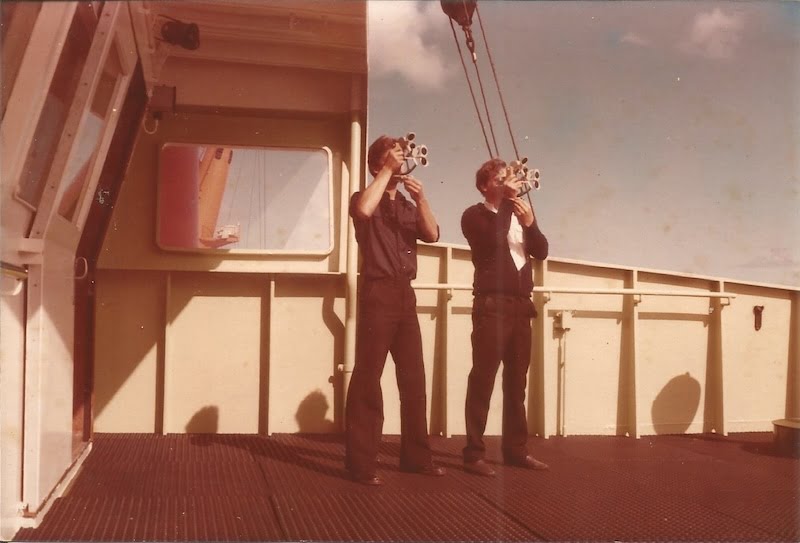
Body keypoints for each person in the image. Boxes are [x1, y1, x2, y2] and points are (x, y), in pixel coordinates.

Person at [345, 135, 445, 485]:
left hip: (405, 295)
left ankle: (416, 459)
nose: (401, 159)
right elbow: (363, 211)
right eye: (392, 155)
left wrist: (421, 199)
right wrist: (386, 172)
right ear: (377, 164)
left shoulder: (405, 205)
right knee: (368, 379)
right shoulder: (363, 196)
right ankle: (360, 466)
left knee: (414, 380)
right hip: (378, 293)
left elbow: (432, 234)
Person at [460, 158, 550, 477]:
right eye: (499, 180)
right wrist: (509, 206)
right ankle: (473, 454)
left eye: (507, 179)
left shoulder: (516, 217)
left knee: (516, 384)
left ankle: (516, 451)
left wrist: (531, 224)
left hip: (520, 308)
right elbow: (490, 242)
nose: (506, 184)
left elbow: (541, 251)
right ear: (484, 186)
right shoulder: (475, 215)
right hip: (492, 307)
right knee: (483, 380)